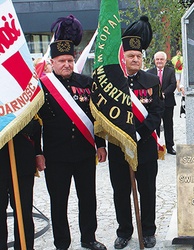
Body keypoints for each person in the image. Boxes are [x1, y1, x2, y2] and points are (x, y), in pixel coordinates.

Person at [38, 15, 107, 250]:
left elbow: (95, 117)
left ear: (74, 59)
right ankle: (62, 243)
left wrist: (100, 144)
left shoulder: (87, 83)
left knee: (88, 199)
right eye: (61, 61)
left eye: (69, 60)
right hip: (56, 157)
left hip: (84, 153)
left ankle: (89, 238)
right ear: (53, 62)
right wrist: (38, 152)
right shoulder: (43, 87)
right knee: (59, 202)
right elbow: (35, 122)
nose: (66, 64)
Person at [107, 16, 163, 249]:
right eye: (131, 56)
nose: (136, 59)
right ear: (123, 57)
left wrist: (138, 134)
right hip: (119, 147)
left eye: (139, 56)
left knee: (147, 190)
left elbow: (157, 112)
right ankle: (124, 231)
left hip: (145, 146)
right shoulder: (111, 83)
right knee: (121, 191)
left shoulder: (151, 80)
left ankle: (148, 231)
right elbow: (104, 115)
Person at [0, 118, 45, 250]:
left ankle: (24, 247)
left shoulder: (20, 96)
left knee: (23, 210)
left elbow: (35, 124)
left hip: (22, 159)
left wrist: (38, 151)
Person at [148, 51, 177, 155]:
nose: (159, 61)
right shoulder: (149, 72)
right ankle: (156, 146)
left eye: (161, 59)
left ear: (165, 61)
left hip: (168, 102)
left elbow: (173, 84)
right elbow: (147, 86)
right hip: (154, 104)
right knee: (155, 124)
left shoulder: (170, 71)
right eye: (157, 59)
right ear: (154, 61)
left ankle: (170, 147)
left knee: (168, 125)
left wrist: (163, 94)